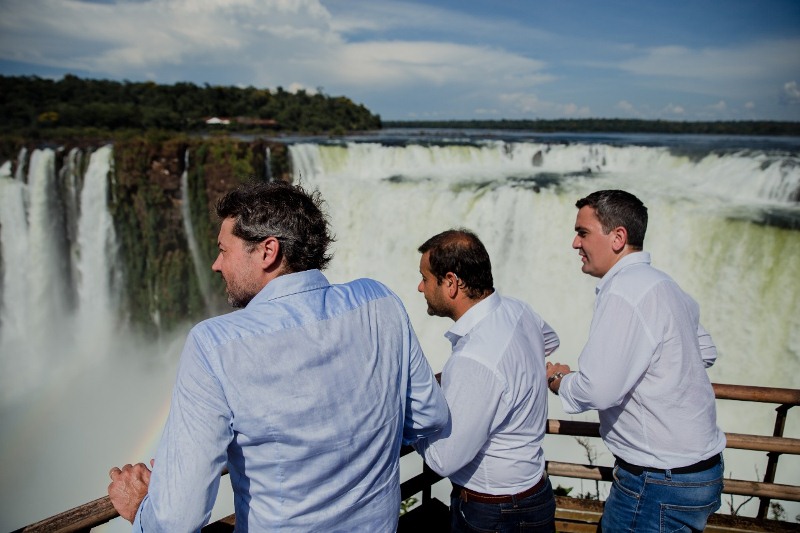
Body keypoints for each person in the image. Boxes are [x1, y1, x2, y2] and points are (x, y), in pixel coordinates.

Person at [107, 181, 449, 531]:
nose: (215, 265)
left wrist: (143, 507)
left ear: (267, 251)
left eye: (224, 250)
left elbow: (178, 520)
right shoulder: (380, 302)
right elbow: (429, 416)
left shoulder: (215, 345)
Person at [546, 189, 726, 532]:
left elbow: (598, 390)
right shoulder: (663, 283)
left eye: (583, 233)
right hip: (701, 471)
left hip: (657, 481)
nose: (575, 243)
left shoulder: (624, 292)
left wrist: (558, 380)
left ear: (618, 237)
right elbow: (704, 351)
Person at [412, 229, 560, 533]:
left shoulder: (475, 358)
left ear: (451, 282)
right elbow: (550, 341)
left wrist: (408, 412)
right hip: (535, 494)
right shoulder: (518, 310)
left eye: (425, 278)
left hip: (495, 514)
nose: (420, 287)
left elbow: (443, 460)